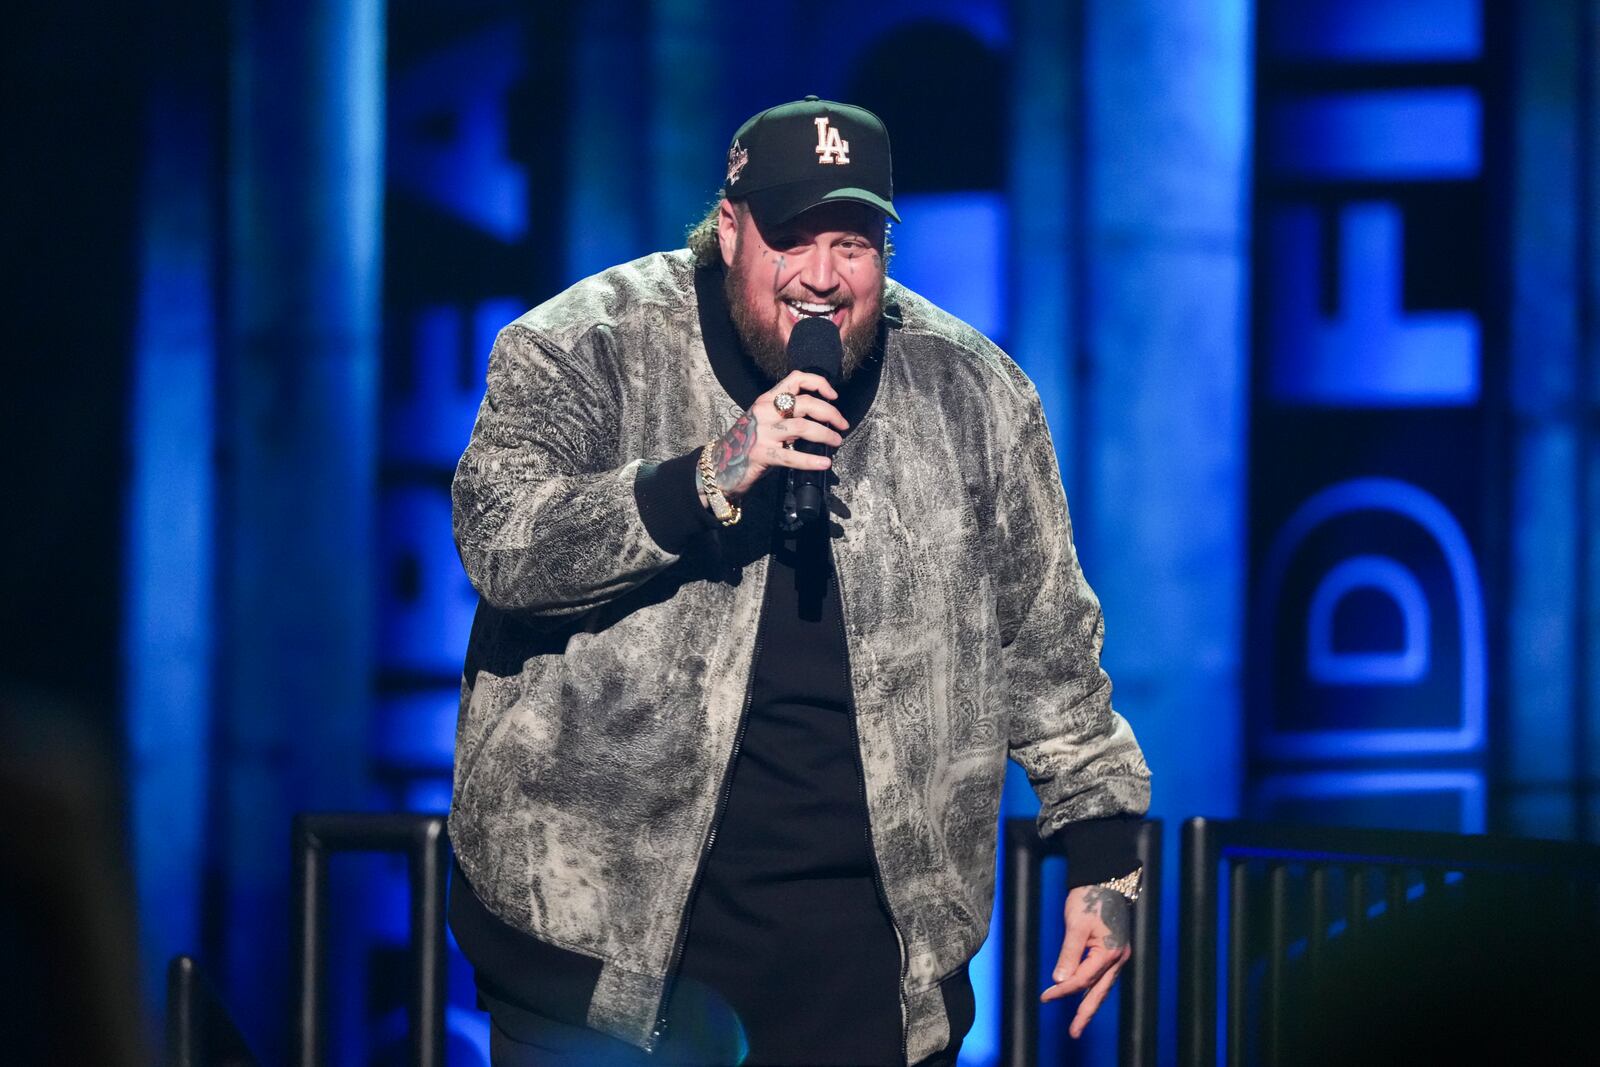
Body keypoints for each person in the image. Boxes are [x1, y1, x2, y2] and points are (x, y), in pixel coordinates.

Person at [447, 96, 1152, 1066]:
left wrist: (1104, 863)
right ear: (729, 230)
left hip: (863, 977)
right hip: (600, 961)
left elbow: (1048, 650)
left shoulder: (971, 392)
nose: (821, 277)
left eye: (853, 242)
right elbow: (504, 543)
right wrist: (707, 477)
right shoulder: (586, 345)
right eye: (792, 238)